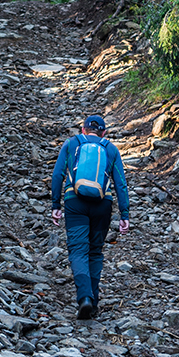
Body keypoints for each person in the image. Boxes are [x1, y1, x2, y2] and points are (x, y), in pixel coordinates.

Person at [50, 115, 131, 319]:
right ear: (103, 132)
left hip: (74, 201)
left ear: (84, 130)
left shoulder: (71, 144)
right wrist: (125, 213)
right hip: (102, 204)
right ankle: (93, 302)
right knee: (95, 251)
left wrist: (55, 205)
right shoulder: (110, 148)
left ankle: (84, 298)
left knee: (78, 250)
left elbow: (58, 174)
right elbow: (120, 183)